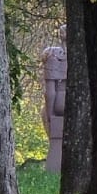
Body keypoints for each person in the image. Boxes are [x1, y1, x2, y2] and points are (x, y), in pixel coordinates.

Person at [41, 25, 67, 173]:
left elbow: (50, 93)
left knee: (44, 113)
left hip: (60, 102)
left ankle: (54, 166)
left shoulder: (52, 55)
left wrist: (50, 117)